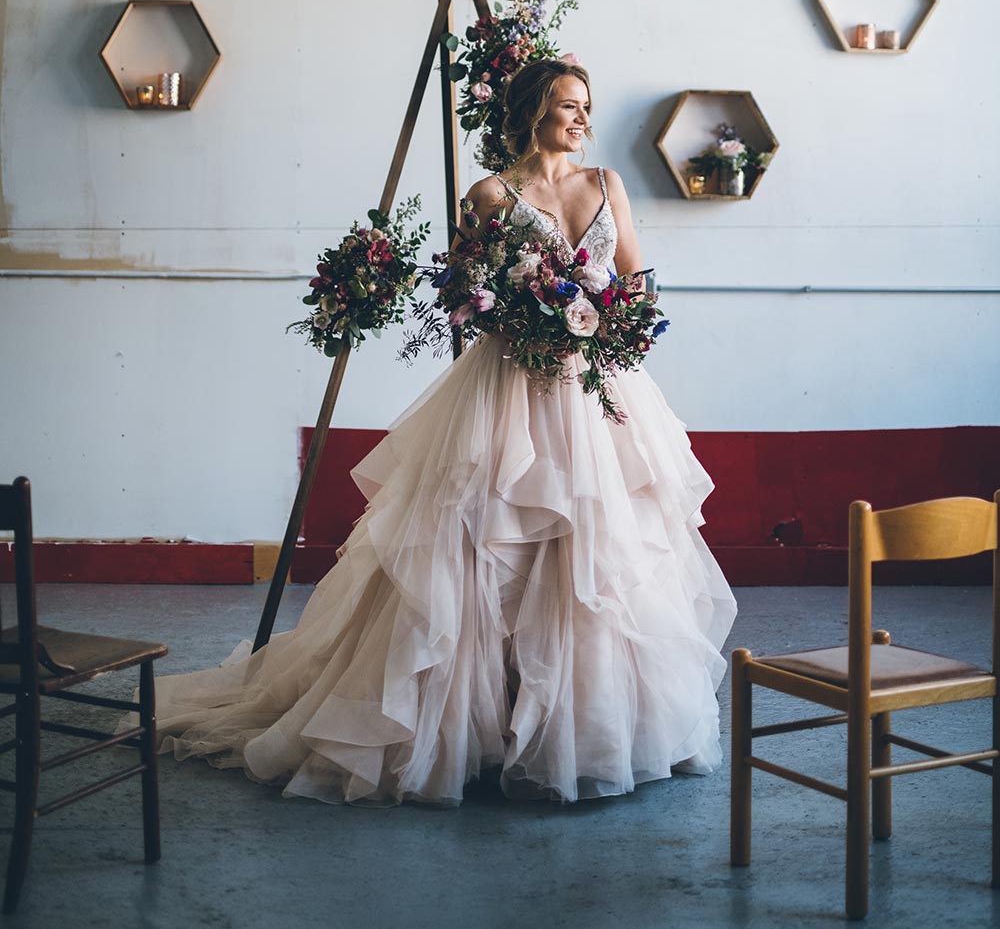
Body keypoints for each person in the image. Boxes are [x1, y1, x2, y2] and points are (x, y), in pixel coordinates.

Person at [154, 59, 737, 806]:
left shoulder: (607, 186)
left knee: (597, 555)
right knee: (485, 552)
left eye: (587, 107)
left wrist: (609, 320)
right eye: (569, 106)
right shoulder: (491, 194)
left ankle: (581, 727)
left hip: (594, 389)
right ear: (535, 111)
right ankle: (473, 728)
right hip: (510, 392)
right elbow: (466, 294)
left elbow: (632, 277)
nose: (584, 119)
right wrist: (519, 315)